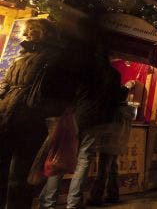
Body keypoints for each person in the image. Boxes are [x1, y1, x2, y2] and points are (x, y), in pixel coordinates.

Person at [39, 46, 121, 209]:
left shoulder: (84, 70)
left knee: (62, 158)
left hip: (76, 117)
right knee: (83, 161)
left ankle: (48, 203)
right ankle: (74, 202)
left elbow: (69, 92)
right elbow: (115, 101)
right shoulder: (114, 75)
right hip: (98, 121)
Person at [0, 19, 69, 209]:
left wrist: (39, 114)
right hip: (8, 116)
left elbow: (56, 94)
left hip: (29, 122)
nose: (28, 33)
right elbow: (6, 83)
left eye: (34, 30)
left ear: (45, 33)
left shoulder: (53, 57)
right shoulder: (23, 54)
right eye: (28, 30)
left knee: (19, 176)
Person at [87, 86, 135, 205]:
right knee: (113, 169)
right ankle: (113, 194)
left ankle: (96, 197)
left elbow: (107, 126)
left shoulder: (113, 110)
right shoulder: (130, 110)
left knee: (102, 171)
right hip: (119, 143)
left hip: (108, 143)